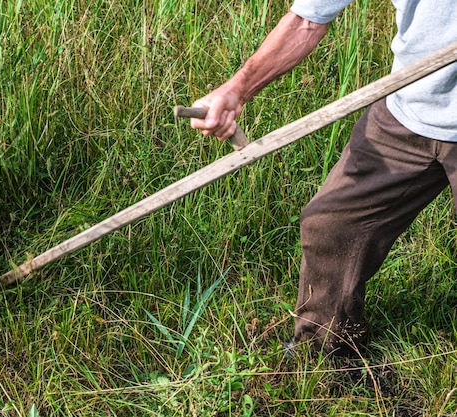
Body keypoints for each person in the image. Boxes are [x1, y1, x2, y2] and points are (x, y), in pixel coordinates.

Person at [189, 0, 457, 356]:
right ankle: (321, 353)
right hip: (408, 107)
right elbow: (306, 21)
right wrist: (236, 91)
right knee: (331, 224)